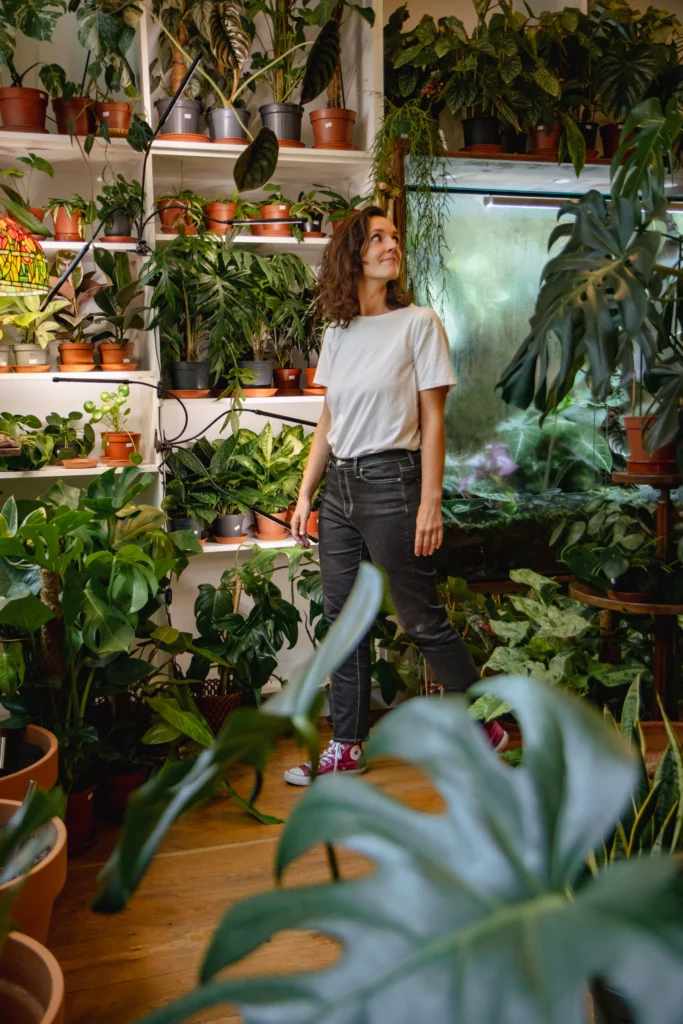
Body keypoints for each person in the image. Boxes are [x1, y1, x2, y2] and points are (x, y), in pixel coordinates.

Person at [284, 207, 507, 786]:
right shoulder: (337, 333)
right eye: (378, 238)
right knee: (343, 621)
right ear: (353, 253)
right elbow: (328, 420)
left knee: (419, 618)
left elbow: (434, 421)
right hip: (340, 491)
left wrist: (430, 500)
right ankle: (347, 744)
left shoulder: (419, 323)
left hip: (393, 483)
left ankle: (486, 723)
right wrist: (306, 492)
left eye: (394, 237)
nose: (392, 245)